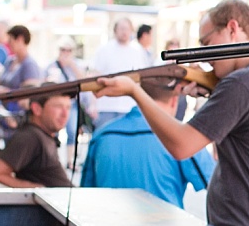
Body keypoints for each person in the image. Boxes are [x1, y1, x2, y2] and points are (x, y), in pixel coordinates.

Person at [93, 0, 249, 226]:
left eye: (206, 43)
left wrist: (135, 92)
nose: (206, 57)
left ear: (232, 28)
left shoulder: (241, 83)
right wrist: (214, 90)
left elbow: (181, 145)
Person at [80, 77, 215, 208]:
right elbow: (215, 183)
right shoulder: (180, 138)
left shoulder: (102, 134)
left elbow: (86, 193)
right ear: (174, 101)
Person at [0, 92, 73, 188]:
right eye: (58, 106)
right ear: (37, 109)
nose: (65, 114)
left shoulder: (43, 135)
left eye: (68, 108)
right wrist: (37, 190)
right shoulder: (30, 137)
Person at [45, 36, 97, 168]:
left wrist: (72, 65)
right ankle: (53, 159)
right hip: (55, 103)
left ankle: (70, 161)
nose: (66, 53)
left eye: (69, 50)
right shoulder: (52, 66)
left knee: (72, 132)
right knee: (53, 131)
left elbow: (84, 83)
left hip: (72, 103)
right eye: (63, 49)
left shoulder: (77, 65)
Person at [93, 18, 152, 130]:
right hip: (107, 106)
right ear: (115, 30)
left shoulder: (138, 51)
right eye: (121, 28)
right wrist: (93, 104)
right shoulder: (104, 50)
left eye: (127, 28)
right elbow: (96, 76)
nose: (124, 32)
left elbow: (143, 78)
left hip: (130, 106)